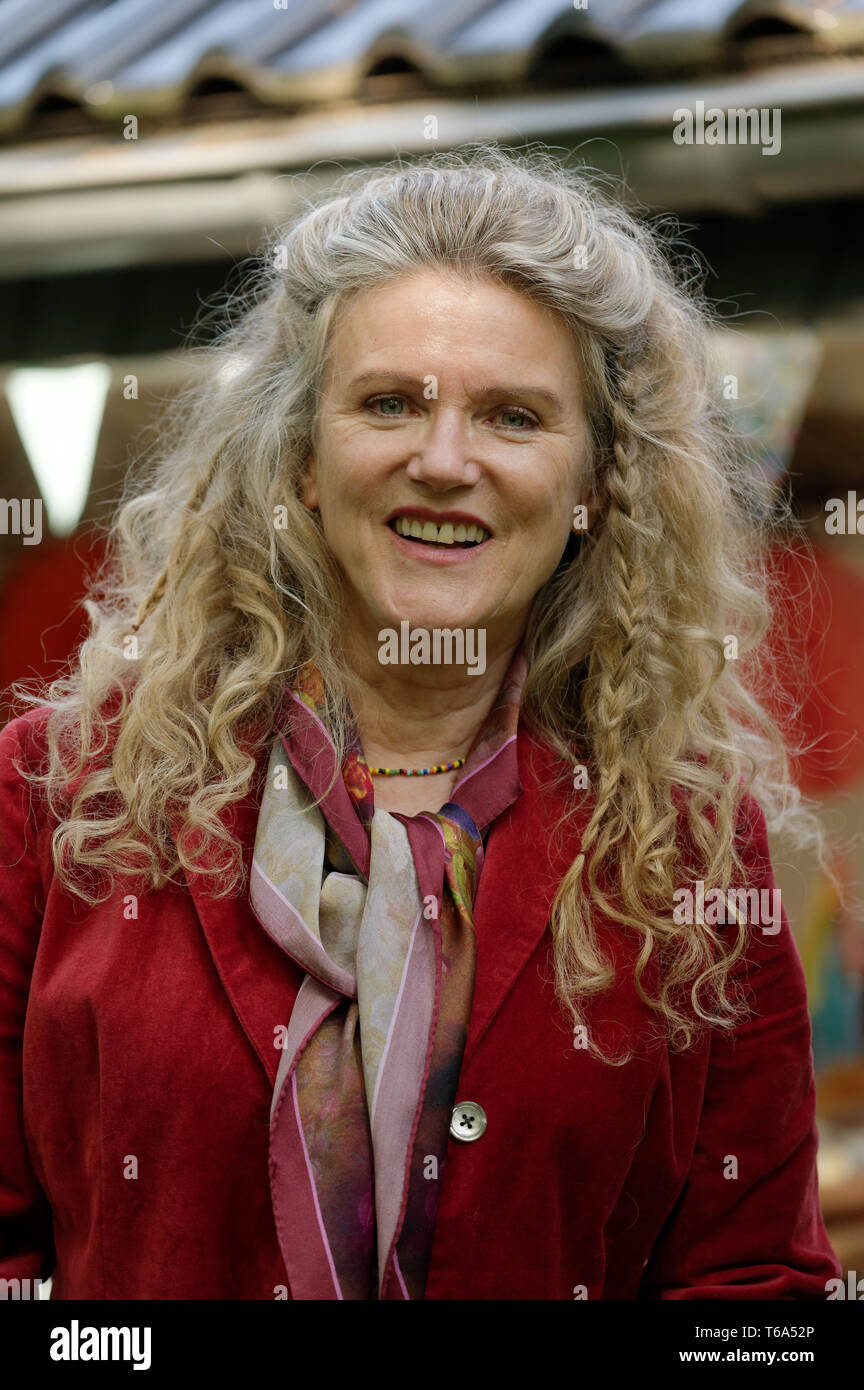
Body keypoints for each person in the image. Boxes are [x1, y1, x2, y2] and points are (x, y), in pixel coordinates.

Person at [0, 145, 841, 1300]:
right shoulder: (62, 795)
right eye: (388, 402)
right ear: (299, 458)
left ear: (598, 483)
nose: (444, 462)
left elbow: (753, 1280)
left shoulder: (685, 839)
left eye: (513, 416)